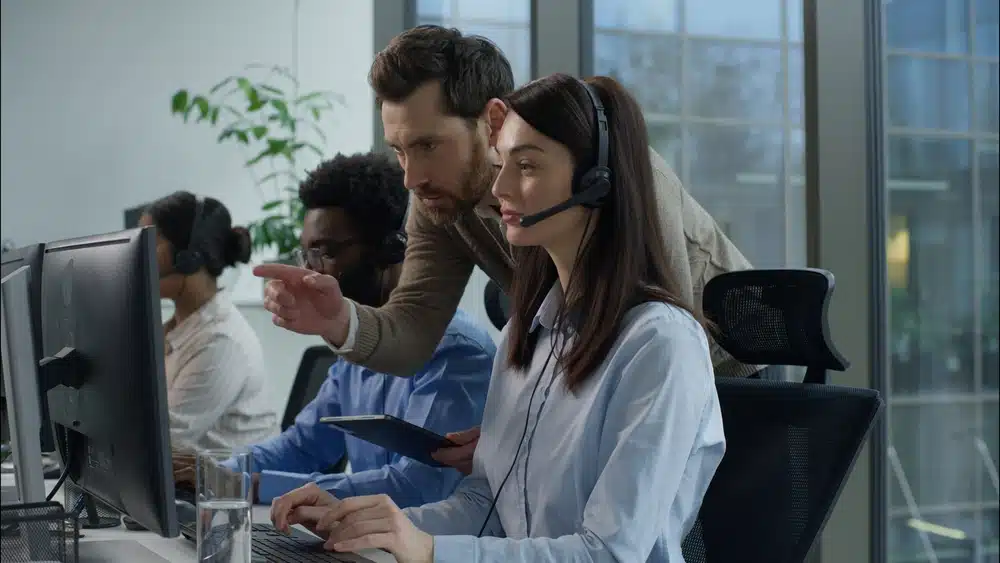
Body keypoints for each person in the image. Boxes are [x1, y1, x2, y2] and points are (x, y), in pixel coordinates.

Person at [255, 24, 755, 474]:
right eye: (400, 151)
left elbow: (643, 339)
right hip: (609, 388)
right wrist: (338, 319)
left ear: (492, 122)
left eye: (428, 146)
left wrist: (526, 436)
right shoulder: (438, 202)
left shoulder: (601, 174)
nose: (412, 177)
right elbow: (414, 328)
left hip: (723, 379)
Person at [267, 74, 725, 563]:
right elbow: (487, 507)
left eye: (525, 165)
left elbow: (610, 554)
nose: (501, 185)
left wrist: (427, 552)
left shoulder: (661, 344)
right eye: (502, 162)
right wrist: (366, 520)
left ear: (596, 182)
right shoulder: (522, 339)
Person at [176, 153, 496, 507]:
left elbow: (418, 488)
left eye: (324, 253)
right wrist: (224, 473)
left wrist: (256, 486)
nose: (311, 272)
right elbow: (303, 445)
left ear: (391, 248)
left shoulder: (454, 350)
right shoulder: (356, 344)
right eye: (306, 255)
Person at [140, 192, 278, 451]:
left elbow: (160, 442)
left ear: (188, 256)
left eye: (151, 243)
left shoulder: (220, 341)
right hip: (184, 483)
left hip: (229, 488)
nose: (137, 257)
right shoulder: (174, 331)